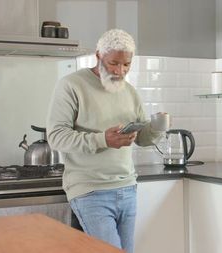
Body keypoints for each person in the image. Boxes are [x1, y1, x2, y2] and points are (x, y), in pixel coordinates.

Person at [46, 29, 162, 253]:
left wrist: (158, 127)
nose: (120, 71)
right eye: (114, 63)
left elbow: (144, 139)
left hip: (127, 188)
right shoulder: (71, 85)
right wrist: (103, 140)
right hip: (90, 190)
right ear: (98, 56)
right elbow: (56, 136)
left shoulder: (130, 91)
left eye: (127, 64)